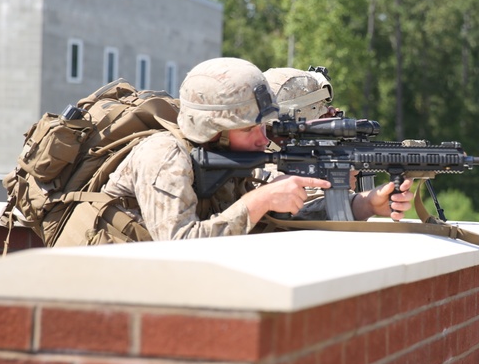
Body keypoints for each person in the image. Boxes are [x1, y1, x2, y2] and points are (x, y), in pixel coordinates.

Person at [101, 57, 414, 240]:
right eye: (251, 128)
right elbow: (179, 245)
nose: (264, 139)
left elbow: (285, 217)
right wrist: (258, 201)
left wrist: (366, 204)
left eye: (266, 127)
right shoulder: (164, 155)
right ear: (214, 129)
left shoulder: (234, 158)